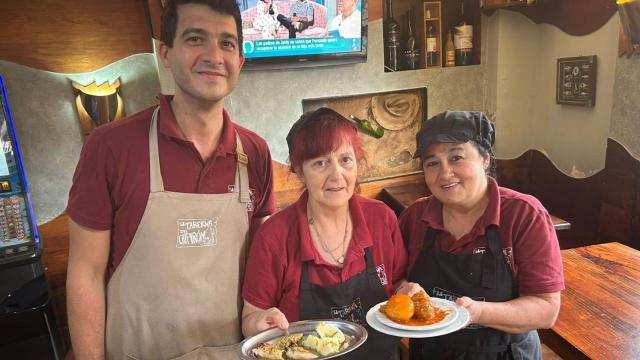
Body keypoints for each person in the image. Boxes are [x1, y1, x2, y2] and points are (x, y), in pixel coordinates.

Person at [65, 0, 276, 358]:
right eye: (195, 39)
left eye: (227, 43)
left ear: (240, 60)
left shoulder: (255, 153)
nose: (214, 55)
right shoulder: (110, 147)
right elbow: (86, 273)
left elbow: (263, 266)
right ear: (166, 53)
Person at [241, 108, 423, 359]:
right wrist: (259, 322)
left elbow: (398, 282)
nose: (337, 175)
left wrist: (408, 292)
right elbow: (251, 317)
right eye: (320, 162)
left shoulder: (381, 218)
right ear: (299, 171)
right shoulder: (274, 236)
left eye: (345, 159)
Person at [398, 111, 564, 359]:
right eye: (432, 163)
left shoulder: (523, 215)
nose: (444, 173)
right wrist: (402, 290)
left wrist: (476, 312)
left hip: (504, 353)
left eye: (456, 158)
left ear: (485, 158)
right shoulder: (414, 217)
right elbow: (394, 278)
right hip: (431, 352)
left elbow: (546, 310)